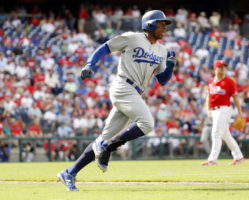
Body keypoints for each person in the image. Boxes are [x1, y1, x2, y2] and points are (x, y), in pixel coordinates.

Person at [57, 10, 176, 191]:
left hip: (135, 93)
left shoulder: (161, 50)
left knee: (104, 137)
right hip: (123, 87)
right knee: (147, 123)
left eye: (165, 25)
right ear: (149, 24)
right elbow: (105, 47)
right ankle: (107, 146)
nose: (164, 28)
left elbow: (162, 80)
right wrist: (90, 63)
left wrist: (171, 66)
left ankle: (70, 172)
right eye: (161, 24)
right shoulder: (132, 38)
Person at [202, 60, 245, 166]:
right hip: (214, 110)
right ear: (215, 69)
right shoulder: (211, 81)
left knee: (216, 133)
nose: (222, 69)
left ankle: (212, 160)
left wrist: (240, 112)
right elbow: (208, 97)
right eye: (220, 67)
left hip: (224, 109)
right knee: (226, 135)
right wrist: (208, 110)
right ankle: (238, 156)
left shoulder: (229, 82)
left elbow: (236, 98)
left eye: (223, 67)